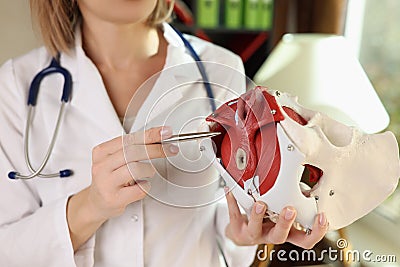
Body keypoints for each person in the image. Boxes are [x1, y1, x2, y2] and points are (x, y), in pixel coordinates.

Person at [0, 0, 328, 266]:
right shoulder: (17, 85)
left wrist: (241, 235)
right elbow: (8, 250)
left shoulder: (219, 71)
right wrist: (90, 206)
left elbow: (227, 223)